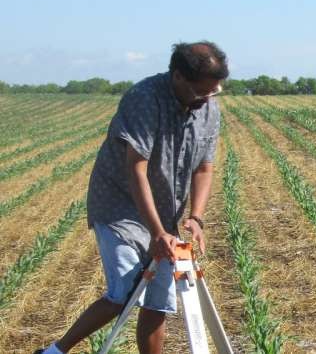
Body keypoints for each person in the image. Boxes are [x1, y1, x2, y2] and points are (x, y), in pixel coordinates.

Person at [36, 41, 228, 354]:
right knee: (123, 291)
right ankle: (55, 351)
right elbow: (135, 170)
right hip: (119, 206)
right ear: (178, 76)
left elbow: (204, 168)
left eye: (214, 91)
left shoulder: (208, 108)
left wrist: (196, 216)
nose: (208, 98)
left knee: (158, 301)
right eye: (201, 91)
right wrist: (157, 232)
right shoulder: (144, 99)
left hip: (163, 213)